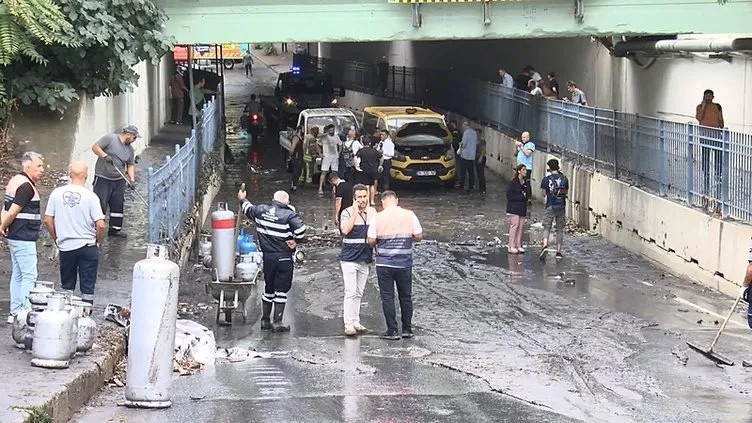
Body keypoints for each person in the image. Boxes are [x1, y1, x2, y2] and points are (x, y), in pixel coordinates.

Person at [238, 189, 306, 332]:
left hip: (267, 257)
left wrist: (242, 198)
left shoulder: (261, 210)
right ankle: (277, 322)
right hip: (283, 257)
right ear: (286, 202)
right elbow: (301, 231)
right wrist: (294, 240)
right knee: (280, 290)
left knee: (268, 288)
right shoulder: (289, 215)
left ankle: (265, 320)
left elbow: (247, 208)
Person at [43, 161, 105, 305]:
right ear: (87, 175)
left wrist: (56, 238)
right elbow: (100, 225)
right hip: (87, 246)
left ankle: (65, 313)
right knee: (88, 286)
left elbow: (47, 220)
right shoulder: (91, 197)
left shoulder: (56, 194)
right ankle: (86, 314)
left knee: (67, 285)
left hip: (66, 246)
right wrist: (98, 241)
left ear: (70, 174)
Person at [367, 191, 422, 340]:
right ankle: (407, 329)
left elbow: (371, 239)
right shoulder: (409, 215)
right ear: (396, 200)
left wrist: (379, 242)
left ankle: (392, 330)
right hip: (404, 263)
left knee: (388, 297)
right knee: (406, 297)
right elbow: (418, 236)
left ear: (383, 202)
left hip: (384, 263)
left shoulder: (377, 217)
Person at [1, 152, 44, 324]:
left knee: (18, 274)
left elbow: (5, 207)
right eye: (39, 166)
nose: (42, 170)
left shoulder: (14, 181)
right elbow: (12, 211)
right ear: (28, 167)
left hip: (15, 235)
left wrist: (3, 226)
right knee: (29, 275)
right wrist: (3, 226)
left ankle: (15, 312)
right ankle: (25, 313)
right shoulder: (26, 186)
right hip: (23, 235)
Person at [340, 184, 376, 336]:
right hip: (349, 259)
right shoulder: (346, 212)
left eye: (364, 196)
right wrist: (355, 212)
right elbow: (345, 230)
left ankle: (356, 321)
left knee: (359, 292)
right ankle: (348, 324)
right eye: (359, 197)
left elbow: (375, 233)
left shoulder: (373, 212)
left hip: (365, 258)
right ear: (354, 198)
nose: (362, 200)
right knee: (350, 291)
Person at [92, 125, 139, 238]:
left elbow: (130, 164)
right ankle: (96, 229)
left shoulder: (130, 150)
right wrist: (105, 156)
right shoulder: (110, 139)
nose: (134, 140)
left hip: (119, 179)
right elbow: (95, 147)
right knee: (100, 203)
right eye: (134, 137)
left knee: (117, 204)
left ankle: (115, 229)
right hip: (103, 177)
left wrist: (131, 180)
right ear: (128, 135)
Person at [695, 89, 725, 208]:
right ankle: (706, 176)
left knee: (718, 159)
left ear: (713, 97)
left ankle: (718, 176)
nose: (708, 98)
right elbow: (699, 118)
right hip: (705, 136)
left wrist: (720, 126)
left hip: (716, 136)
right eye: (706, 96)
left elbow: (721, 121)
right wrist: (703, 106)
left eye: (709, 96)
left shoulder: (717, 107)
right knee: (706, 158)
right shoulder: (699, 107)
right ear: (703, 96)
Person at [539, 158, 569, 261]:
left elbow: (543, 194)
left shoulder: (546, 179)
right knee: (560, 229)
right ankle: (559, 251)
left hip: (550, 205)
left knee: (547, 227)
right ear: (558, 167)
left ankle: (545, 245)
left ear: (549, 168)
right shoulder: (564, 179)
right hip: (561, 206)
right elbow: (566, 192)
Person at [355, 136, 383, 206]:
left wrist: (356, 166)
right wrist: (380, 165)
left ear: (362, 143)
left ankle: (366, 201)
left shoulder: (361, 150)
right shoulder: (374, 150)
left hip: (364, 169)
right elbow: (382, 157)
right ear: (370, 143)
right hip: (373, 170)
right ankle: (372, 201)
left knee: (366, 186)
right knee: (372, 185)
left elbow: (355, 157)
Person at [506, 164, 528, 254]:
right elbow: (509, 195)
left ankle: (518, 244)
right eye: (523, 170)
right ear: (519, 171)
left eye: (525, 170)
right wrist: (521, 196)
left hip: (522, 207)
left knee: (520, 226)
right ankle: (511, 245)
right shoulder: (513, 182)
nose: (525, 171)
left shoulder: (525, 182)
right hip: (514, 207)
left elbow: (528, 193)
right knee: (515, 225)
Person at [318, 125, 342, 196]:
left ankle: (334, 188)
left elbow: (340, 144)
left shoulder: (336, 137)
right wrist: (320, 153)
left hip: (334, 157)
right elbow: (317, 144)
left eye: (333, 130)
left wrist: (339, 153)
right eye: (331, 130)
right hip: (326, 156)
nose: (332, 131)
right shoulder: (324, 137)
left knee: (334, 172)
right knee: (324, 172)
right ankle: (320, 188)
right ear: (328, 130)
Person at [457, 122, 478, 193]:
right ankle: (471, 186)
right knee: (471, 172)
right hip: (472, 155)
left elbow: (464, 144)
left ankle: (461, 185)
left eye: (463, 127)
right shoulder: (474, 133)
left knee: (463, 171)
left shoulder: (466, 133)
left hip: (465, 155)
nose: (463, 128)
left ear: (466, 126)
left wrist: (460, 149)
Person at [515, 131, 535, 201]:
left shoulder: (531, 145)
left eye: (524, 137)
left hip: (527, 167)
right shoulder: (522, 145)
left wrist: (521, 146)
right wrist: (516, 146)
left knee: (527, 182)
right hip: (519, 166)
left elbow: (527, 154)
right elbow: (515, 154)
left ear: (528, 137)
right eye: (522, 137)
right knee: (519, 181)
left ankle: (528, 198)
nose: (522, 139)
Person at [289, 126, 304, 191]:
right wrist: (291, 156)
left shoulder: (300, 137)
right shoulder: (296, 138)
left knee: (298, 171)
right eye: (303, 129)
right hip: (296, 156)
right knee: (296, 171)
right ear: (300, 130)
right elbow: (292, 148)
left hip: (299, 156)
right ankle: (294, 185)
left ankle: (293, 184)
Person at [475, 130, 487, 196]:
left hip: (481, 158)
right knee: (478, 173)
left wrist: (481, 157)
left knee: (481, 173)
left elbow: (483, 150)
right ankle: (480, 187)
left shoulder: (482, 141)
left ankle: (483, 188)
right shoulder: (475, 141)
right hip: (476, 157)